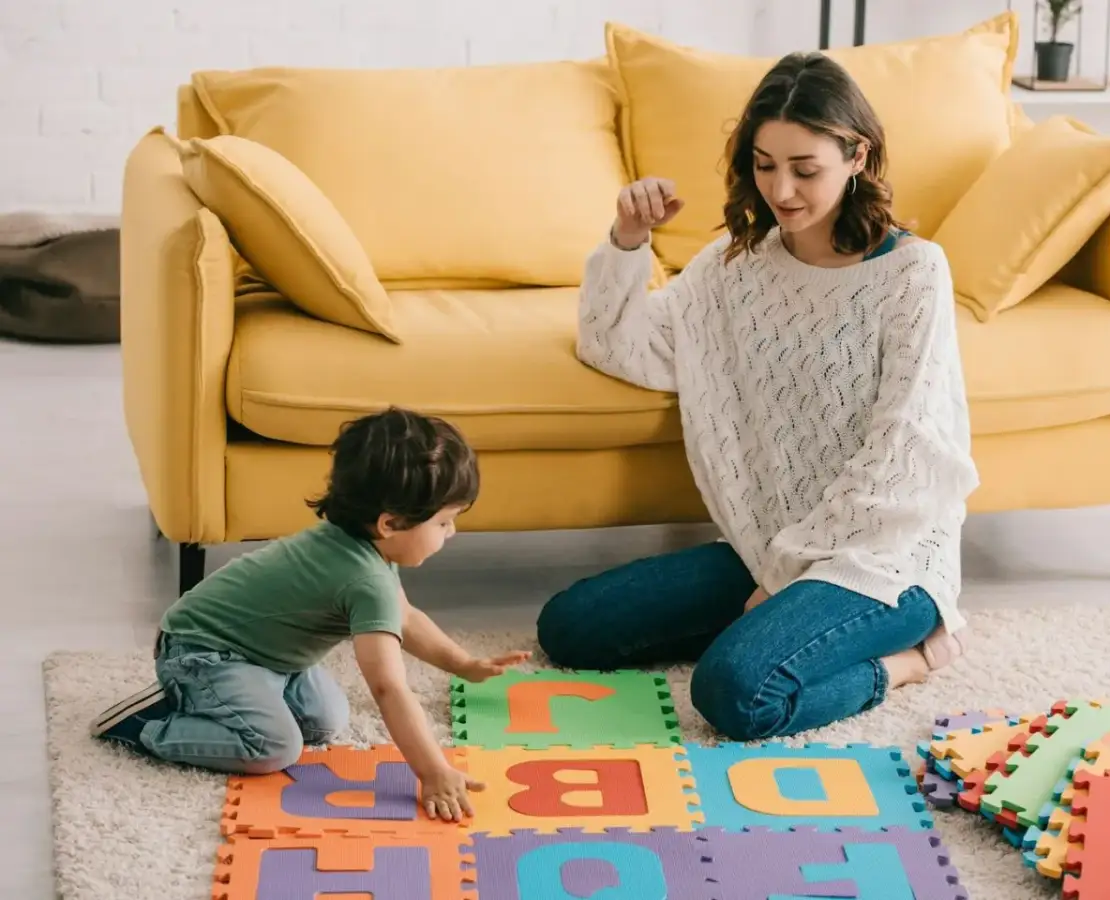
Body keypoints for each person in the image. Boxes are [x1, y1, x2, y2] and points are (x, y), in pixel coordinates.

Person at [537, 51, 980, 741]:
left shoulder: (912, 272)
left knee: (736, 692)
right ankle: (780, 624)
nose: (782, 189)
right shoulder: (734, 267)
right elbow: (617, 347)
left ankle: (911, 661)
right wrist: (628, 240)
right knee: (570, 628)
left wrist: (783, 577)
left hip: (882, 560)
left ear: (858, 156)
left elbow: (903, 450)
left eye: (805, 169)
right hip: (764, 544)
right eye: (765, 164)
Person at [90, 407, 530, 822]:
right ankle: (150, 724)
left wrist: (461, 664)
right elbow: (388, 687)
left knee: (326, 722)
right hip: (203, 649)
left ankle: (239, 695)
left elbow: (406, 617)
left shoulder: (364, 545)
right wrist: (433, 771)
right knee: (274, 749)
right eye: (443, 522)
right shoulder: (364, 578)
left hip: (267, 655)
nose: (452, 532)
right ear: (389, 524)